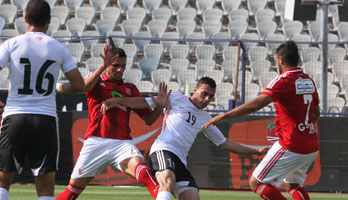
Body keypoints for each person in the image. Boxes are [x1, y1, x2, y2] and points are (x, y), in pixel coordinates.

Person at [0, 1, 85, 200]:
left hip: (15, 117)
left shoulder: (12, 43)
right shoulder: (58, 48)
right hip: (45, 120)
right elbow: (79, 85)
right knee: (45, 189)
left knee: (1, 182)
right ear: (49, 21)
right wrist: (61, 87)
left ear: (26, 19)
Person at [102, 77, 269, 200]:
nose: (206, 99)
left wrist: (256, 151)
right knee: (168, 179)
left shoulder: (205, 118)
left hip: (180, 160)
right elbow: (145, 103)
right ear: (195, 89)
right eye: (204, 94)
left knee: (192, 196)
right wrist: (118, 100)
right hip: (163, 150)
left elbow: (224, 143)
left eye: (210, 96)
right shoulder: (175, 98)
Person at [202, 41, 320, 200]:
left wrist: (225, 115)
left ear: (280, 60)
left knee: (256, 183)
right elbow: (316, 113)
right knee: (292, 186)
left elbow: (256, 105)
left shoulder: (283, 80)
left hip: (291, 144)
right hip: (311, 144)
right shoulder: (308, 80)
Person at [56, 43, 164, 200]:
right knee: (71, 192)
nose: (120, 69)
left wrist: (159, 108)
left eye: (123, 66)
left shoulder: (130, 88)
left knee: (144, 172)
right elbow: (83, 87)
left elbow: (148, 119)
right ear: (107, 64)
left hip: (122, 143)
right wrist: (102, 66)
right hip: (95, 142)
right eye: (115, 66)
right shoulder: (96, 81)